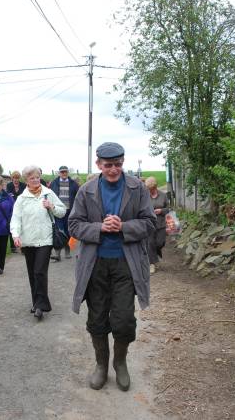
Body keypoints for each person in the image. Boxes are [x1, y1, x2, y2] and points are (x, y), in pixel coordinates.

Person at [68, 142, 155, 392]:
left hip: (126, 264)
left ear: (123, 162)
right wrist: (99, 228)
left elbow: (149, 222)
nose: (114, 170)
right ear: (98, 165)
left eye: (118, 164)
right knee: (96, 318)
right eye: (108, 165)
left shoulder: (137, 188)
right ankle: (101, 366)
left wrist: (124, 227)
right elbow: (74, 225)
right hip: (95, 265)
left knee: (124, 319)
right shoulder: (86, 191)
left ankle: (120, 362)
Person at [10, 165, 66, 320]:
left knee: (39, 271)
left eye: (37, 177)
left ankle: (41, 305)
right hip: (27, 241)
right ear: (26, 180)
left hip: (45, 239)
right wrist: (15, 235)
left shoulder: (48, 194)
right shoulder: (21, 199)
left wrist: (52, 206)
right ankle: (36, 303)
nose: (35, 180)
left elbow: (62, 211)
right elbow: (16, 219)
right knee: (32, 273)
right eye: (31, 178)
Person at [49, 165, 79, 261]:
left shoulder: (74, 184)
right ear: (59, 173)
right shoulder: (54, 183)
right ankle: (57, 253)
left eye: (65, 171)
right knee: (58, 231)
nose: (64, 173)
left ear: (68, 172)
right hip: (58, 211)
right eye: (62, 172)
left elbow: (78, 197)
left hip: (69, 212)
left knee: (68, 231)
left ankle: (67, 250)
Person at [145, 176, 169, 274]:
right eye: (148, 189)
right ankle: (152, 264)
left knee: (160, 243)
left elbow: (169, 208)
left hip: (161, 224)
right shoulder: (145, 196)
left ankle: (156, 253)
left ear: (155, 187)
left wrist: (161, 210)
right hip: (149, 224)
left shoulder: (163, 195)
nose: (150, 191)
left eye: (151, 189)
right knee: (150, 244)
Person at [6, 171, 26, 253]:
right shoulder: (9, 185)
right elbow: (8, 196)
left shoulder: (23, 185)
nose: (16, 180)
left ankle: (23, 247)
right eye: (14, 178)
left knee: (22, 226)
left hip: (22, 208)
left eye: (17, 178)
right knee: (13, 226)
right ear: (12, 178)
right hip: (12, 209)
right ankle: (13, 247)